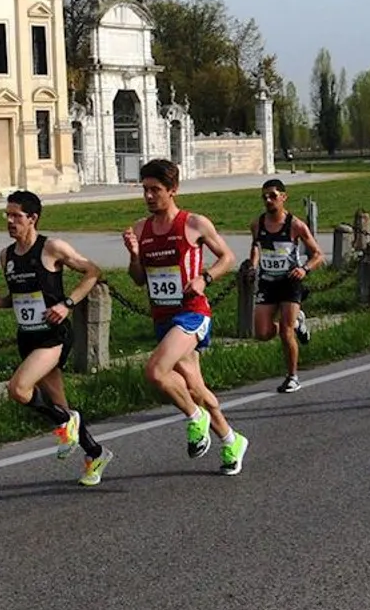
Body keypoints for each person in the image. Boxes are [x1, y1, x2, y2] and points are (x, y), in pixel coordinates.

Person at [124, 159, 249, 475]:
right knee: (194, 386)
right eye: (145, 190)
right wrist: (134, 254)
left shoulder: (193, 224)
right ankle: (232, 440)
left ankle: (196, 418)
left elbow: (228, 257)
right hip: (163, 317)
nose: (149, 196)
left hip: (192, 314)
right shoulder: (140, 229)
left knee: (155, 371)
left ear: (173, 190)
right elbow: (138, 278)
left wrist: (205, 279)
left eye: (156, 190)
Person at [0, 190, 113, 486]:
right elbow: (19, 296)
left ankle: (66, 422)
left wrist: (67, 305)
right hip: (27, 337)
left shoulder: (51, 247)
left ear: (33, 218)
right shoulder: (7, 256)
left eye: (16, 216)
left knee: (18, 389)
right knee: (60, 406)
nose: (10, 221)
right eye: (7, 215)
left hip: (53, 337)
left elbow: (92, 271)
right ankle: (95, 453)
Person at [248, 179, 326, 394]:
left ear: (283, 197)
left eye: (273, 195)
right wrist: (253, 266)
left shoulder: (295, 225)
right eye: (264, 196)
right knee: (262, 333)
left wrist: (305, 269)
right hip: (267, 282)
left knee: (286, 331)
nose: (268, 200)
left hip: (290, 282)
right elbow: (256, 247)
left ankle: (292, 377)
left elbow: (318, 255)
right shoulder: (257, 224)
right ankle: (297, 319)